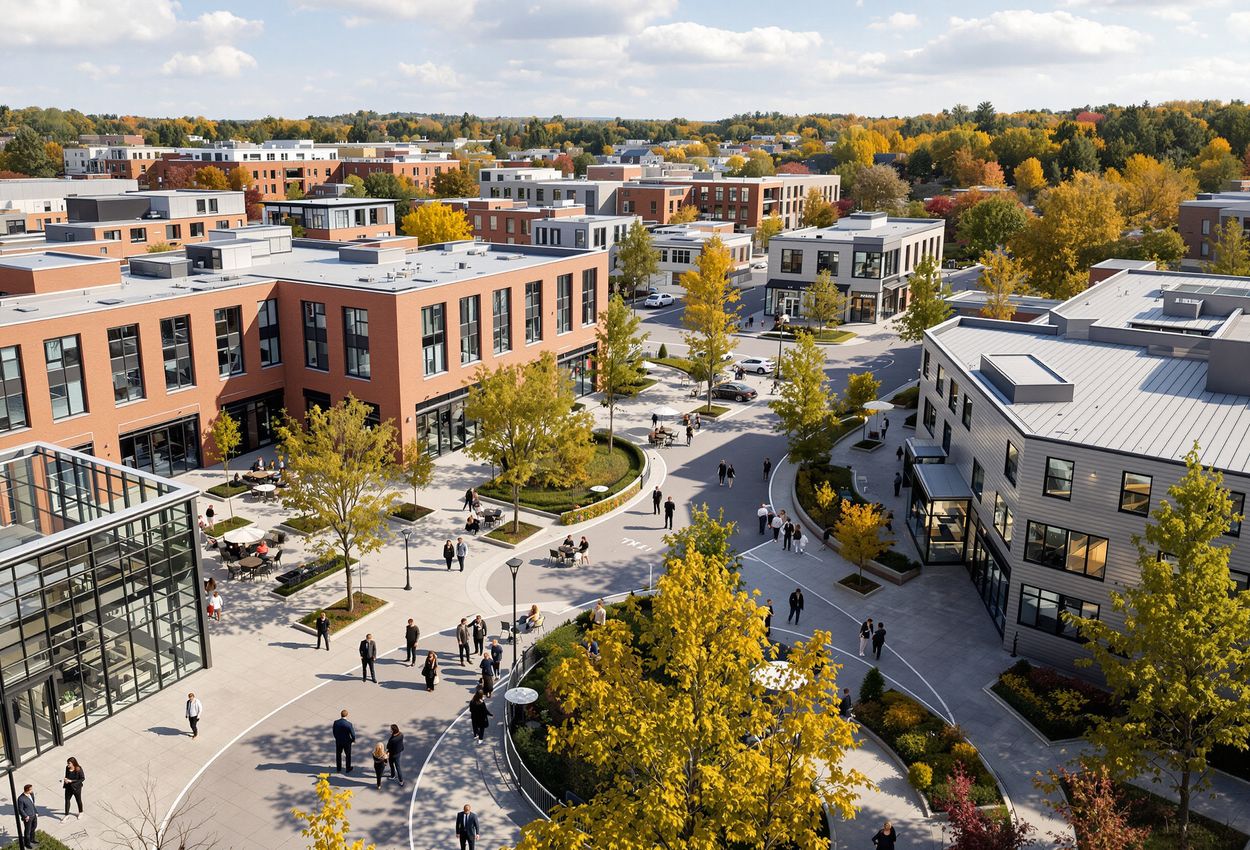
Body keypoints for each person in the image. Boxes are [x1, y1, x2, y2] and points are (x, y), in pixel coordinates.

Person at [17, 784, 36, 849]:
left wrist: (36, 812)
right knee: (27, 831)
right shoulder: (21, 799)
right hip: (28, 817)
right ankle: (27, 843)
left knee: (34, 827)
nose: (32, 790)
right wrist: (25, 816)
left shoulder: (31, 794)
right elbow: (20, 809)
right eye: (31, 789)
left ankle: (32, 839)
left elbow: (33, 804)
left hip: (34, 815)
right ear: (28, 790)